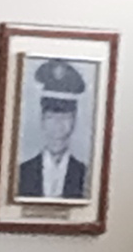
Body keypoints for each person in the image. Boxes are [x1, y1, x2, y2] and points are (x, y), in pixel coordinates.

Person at [12, 57, 90, 199]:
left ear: (74, 119)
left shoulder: (86, 175)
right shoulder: (21, 173)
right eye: (51, 117)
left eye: (65, 117)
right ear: (42, 120)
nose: (58, 123)